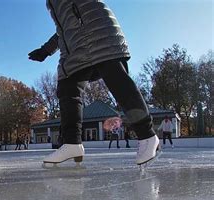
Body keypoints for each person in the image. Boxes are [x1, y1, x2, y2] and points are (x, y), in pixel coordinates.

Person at [29, 0, 159, 165]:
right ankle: (71, 143)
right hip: (73, 46)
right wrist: (46, 50)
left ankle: (147, 135)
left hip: (96, 30)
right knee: (67, 88)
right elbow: (63, 28)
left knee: (116, 78)